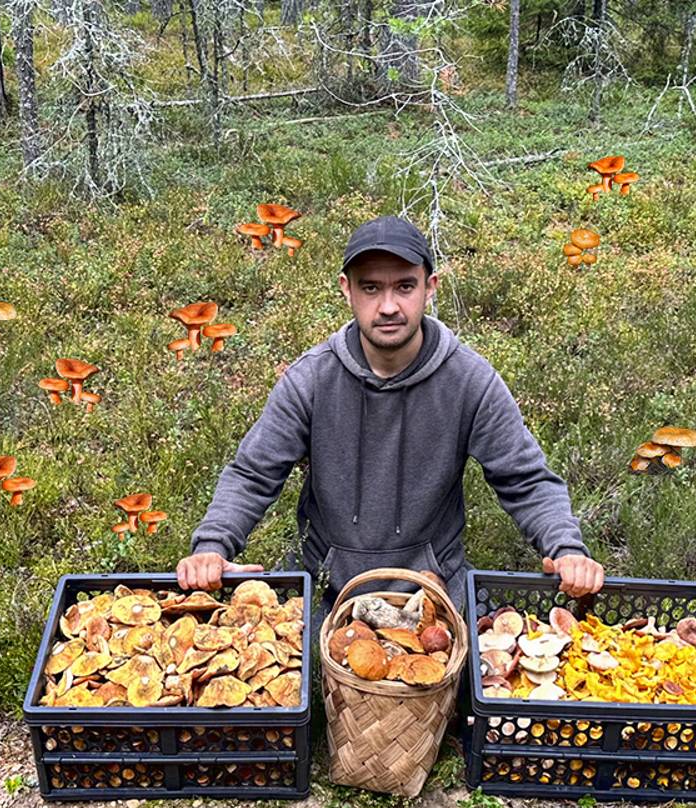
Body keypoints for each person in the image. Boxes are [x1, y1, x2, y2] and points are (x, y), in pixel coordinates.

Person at [175, 215, 604, 609]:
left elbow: (525, 479)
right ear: (346, 289)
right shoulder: (311, 380)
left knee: (483, 677)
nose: (388, 306)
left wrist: (566, 549)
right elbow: (253, 474)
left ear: (429, 287)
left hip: (435, 586)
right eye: (370, 288)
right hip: (328, 590)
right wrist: (212, 547)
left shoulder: (470, 380)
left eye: (404, 286)